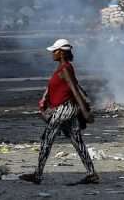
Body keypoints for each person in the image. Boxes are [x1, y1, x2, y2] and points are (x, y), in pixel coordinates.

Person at [20, 39, 98, 185]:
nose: (52, 53)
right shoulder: (64, 67)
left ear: (61, 53)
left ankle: (38, 175)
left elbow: (74, 89)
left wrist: (84, 111)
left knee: (47, 139)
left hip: (65, 109)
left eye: (55, 51)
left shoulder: (64, 69)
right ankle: (92, 174)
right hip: (68, 109)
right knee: (77, 141)